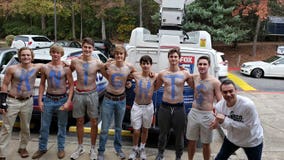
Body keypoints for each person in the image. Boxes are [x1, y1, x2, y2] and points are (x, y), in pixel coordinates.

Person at [32, 45, 74, 159]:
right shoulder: (45, 68)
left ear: (61, 54)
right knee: (44, 126)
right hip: (49, 99)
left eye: (58, 53)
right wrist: (40, 101)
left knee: (62, 125)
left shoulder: (66, 68)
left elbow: (71, 86)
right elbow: (41, 85)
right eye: (53, 52)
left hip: (62, 99)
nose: (55, 54)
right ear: (50, 53)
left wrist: (68, 101)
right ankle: (42, 148)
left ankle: (61, 148)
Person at [0, 47, 42, 160]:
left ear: (32, 57)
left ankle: (23, 147)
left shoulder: (37, 67)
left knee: (26, 127)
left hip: (28, 101)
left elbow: (54, 64)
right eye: (23, 55)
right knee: (6, 128)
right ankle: (2, 153)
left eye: (28, 55)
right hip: (12, 100)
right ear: (19, 57)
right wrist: (2, 102)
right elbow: (4, 85)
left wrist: (68, 63)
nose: (26, 57)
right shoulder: (12, 69)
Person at [70, 37, 106, 160]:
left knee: (94, 122)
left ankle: (92, 148)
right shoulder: (75, 62)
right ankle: (80, 147)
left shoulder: (97, 63)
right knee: (79, 121)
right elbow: (67, 73)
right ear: (82, 47)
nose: (87, 49)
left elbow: (109, 75)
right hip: (79, 94)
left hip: (92, 94)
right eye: (85, 47)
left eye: (89, 47)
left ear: (93, 49)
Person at [97, 46, 136, 160]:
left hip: (121, 100)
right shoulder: (110, 65)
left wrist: (128, 80)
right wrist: (105, 65)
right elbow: (100, 68)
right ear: (114, 54)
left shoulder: (129, 67)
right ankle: (101, 151)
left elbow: (136, 74)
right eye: (117, 54)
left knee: (118, 127)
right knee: (104, 128)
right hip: (108, 99)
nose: (119, 56)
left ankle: (118, 149)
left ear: (124, 55)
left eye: (121, 54)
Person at [154, 48, 192, 160]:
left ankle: (178, 156)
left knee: (179, 134)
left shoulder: (185, 73)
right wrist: (150, 77)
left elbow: (195, 85)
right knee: (162, 133)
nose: (173, 59)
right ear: (168, 58)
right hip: (165, 107)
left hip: (179, 108)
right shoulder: (162, 73)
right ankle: (160, 154)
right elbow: (155, 87)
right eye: (171, 56)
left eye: (175, 56)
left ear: (179, 58)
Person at [210, 79, 264, 160]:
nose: (228, 94)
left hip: (252, 140)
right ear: (221, 93)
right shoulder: (219, 106)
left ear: (236, 91)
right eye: (225, 92)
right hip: (232, 139)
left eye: (231, 91)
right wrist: (217, 123)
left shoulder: (247, 105)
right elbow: (224, 125)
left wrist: (225, 120)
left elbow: (248, 127)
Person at [186, 56, 222, 160]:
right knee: (191, 141)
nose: (202, 66)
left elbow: (221, 102)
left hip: (207, 115)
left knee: (206, 143)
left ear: (209, 66)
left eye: (204, 64)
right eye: (200, 64)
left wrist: (217, 120)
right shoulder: (195, 77)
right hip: (194, 113)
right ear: (197, 65)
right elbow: (183, 74)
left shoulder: (215, 82)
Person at [128, 55, 157, 160]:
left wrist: (181, 68)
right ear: (140, 64)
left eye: (147, 63)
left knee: (145, 129)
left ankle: (142, 148)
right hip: (137, 106)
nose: (145, 66)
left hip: (148, 106)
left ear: (151, 65)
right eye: (143, 63)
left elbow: (166, 74)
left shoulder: (154, 76)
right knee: (136, 130)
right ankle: (134, 149)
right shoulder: (135, 75)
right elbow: (124, 72)